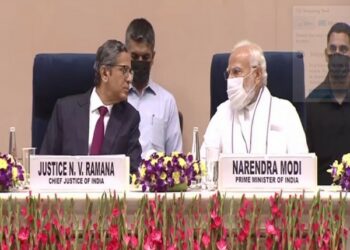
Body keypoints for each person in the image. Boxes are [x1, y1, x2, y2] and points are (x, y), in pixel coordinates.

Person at [40, 40, 142, 173]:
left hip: (110, 193)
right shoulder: (65, 110)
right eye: (124, 70)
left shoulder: (130, 117)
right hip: (67, 192)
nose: (129, 79)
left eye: (130, 72)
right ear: (105, 73)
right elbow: (44, 166)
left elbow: (132, 171)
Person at [201, 40, 308, 157]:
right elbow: (204, 163)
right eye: (228, 73)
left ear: (257, 75)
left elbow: (302, 167)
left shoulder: (285, 112)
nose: (230, 79)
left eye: (236, 72)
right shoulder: (222, 113)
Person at [125, 18, 183, 157]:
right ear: (126, 54)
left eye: (145, 57)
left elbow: (176, 157)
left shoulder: (166, 101)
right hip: (122, 176)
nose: (140, 62)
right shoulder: (116, 97)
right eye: (134, 56)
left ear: (153, 57)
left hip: (155, 177)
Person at [306, 22, 350, 185]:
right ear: (326, 54)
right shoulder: (311, 104)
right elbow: (306, 162)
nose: (337, 54)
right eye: (333, 49)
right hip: (322, 202)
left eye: (343, 50)